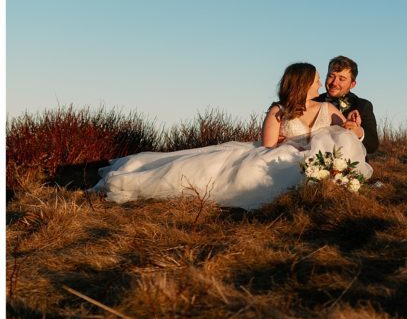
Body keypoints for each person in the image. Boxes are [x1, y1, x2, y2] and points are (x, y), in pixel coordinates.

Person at [91, 63, 372, 210]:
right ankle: (137, 178)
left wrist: (354, 127)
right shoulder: (279, 111)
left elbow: (347, 133)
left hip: (310, 158)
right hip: (279, 155)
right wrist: (295, 145)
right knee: (205, 172)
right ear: (303, 83)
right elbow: (267, 145)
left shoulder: (328, 108)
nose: (321, 83)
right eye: (316, 80)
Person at [313, 55, 379, 155]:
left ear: (352, 84)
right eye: (331, 76)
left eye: (342, 79)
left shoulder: (363, 105)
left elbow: (373, 146)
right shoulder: (314, 101)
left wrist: (359, 132)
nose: (334, 82)